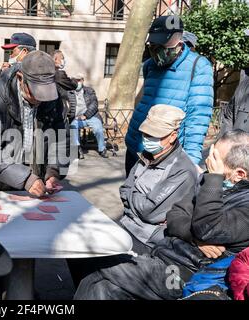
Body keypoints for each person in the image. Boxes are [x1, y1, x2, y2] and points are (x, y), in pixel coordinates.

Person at [74, 130, 249, 300]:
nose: (209, 161)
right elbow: (175, 216)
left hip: (183, 277)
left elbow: (207, 228)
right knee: (100, 286)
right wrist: (196, 239)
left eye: (216, 159)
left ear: (239, 174)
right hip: (164, 256)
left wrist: (214, 179)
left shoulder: (241, 204)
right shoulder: (209, 180)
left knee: (96, 258)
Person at [0, 51, 69, 197]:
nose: (41, 98)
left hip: (31, 182)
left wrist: (54, 171)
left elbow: (61, 140)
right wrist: (25, 178)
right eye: (36, 91)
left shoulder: (53, 100)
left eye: (45, 91)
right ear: (20, 78)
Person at [125, 15, 214, 176]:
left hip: (165, 154)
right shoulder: (150, 65)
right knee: (129, 196)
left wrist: (191, 161)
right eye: (152, 45)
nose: (155, 49)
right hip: (135, 147)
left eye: (161, 45)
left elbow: (198, 117)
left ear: (179, 44)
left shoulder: (199, 66)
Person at [119, 104, 198, 253]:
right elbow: (124, 189)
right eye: (146, 134)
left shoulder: (182, 169)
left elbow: (150, 212)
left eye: (154, 135)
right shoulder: (147, 155)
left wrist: (132, 193)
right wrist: (139, 197)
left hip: (147, 239)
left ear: (173, 136)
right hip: (127, 223)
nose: (148, 139)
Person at [67, 74, 108, 159]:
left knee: (98, 129)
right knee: (73, 127)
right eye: (74, 80)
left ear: (82, 81)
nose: (77, 82)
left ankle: (102, 149)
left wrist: (85, 115)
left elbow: (94, 104)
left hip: (91, 116)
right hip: (76, 118)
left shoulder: (89, 91)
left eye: (78, 80)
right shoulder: (69, 92)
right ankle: (78, 149)